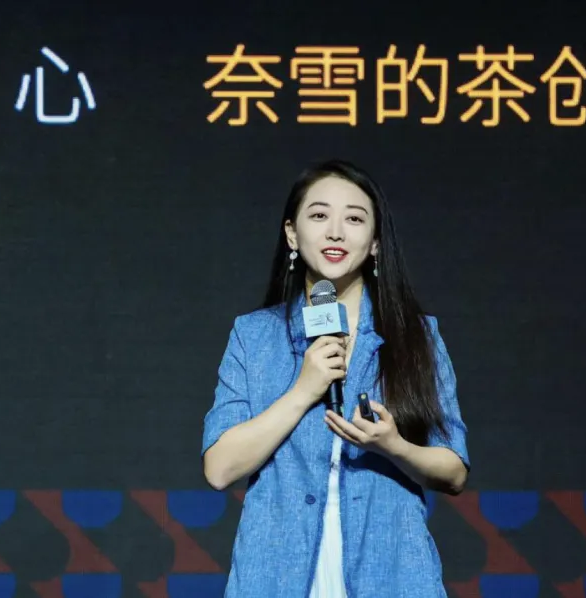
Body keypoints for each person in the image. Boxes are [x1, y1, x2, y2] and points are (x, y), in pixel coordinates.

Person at [201, 159, 471, 597]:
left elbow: (454, 470)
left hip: (392, 576)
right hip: (275, 578)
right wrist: (303, 391)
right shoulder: (254, 336)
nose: (336, 232)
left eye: (354, 219)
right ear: (292, 233)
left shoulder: (417, 336)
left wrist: (394, 446)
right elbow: (219, 468)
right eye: (319, 215)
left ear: (376, 242)